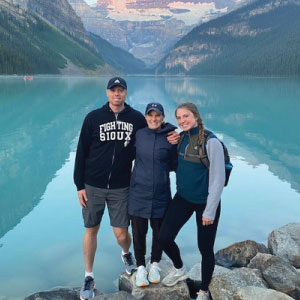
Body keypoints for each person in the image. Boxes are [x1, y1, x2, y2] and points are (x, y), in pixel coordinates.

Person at [73, 77, 179, 300]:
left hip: (122, 186)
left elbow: (155, 128)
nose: (117, 94)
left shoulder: (136, 119)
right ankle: (89, 276)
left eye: (121, 90)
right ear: (107, 93)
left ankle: (126, 253)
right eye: (113, 90)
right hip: (93, 184)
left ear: (126, 93)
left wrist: (175, 133)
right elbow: (81, 151)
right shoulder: (93, 118)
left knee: (122, 233)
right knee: (91, 228)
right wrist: (79, 185)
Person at [158, 102, 225, 300]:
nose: (182, 120)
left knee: (205, 248)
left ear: (196, 116)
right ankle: (179, 268)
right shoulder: (181, 138)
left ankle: (203, 291)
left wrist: (210, 211)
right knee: (164, 237)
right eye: (179, 117)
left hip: (205, 202)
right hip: (183, 198)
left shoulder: (211, 142)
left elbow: (218, 179)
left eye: (186, 116)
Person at [128, 103, 178, 287]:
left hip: (161, 193)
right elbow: (125, 154)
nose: (154, 119)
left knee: (160, 233)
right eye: (150, 115)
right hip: (138, 192)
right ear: (146, 116)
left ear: (163, 117)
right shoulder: (139, 134)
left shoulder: (172, 138)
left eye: (157, 115)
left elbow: (175, 164)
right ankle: (141, 267)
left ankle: (154, 264)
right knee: (138, 233)